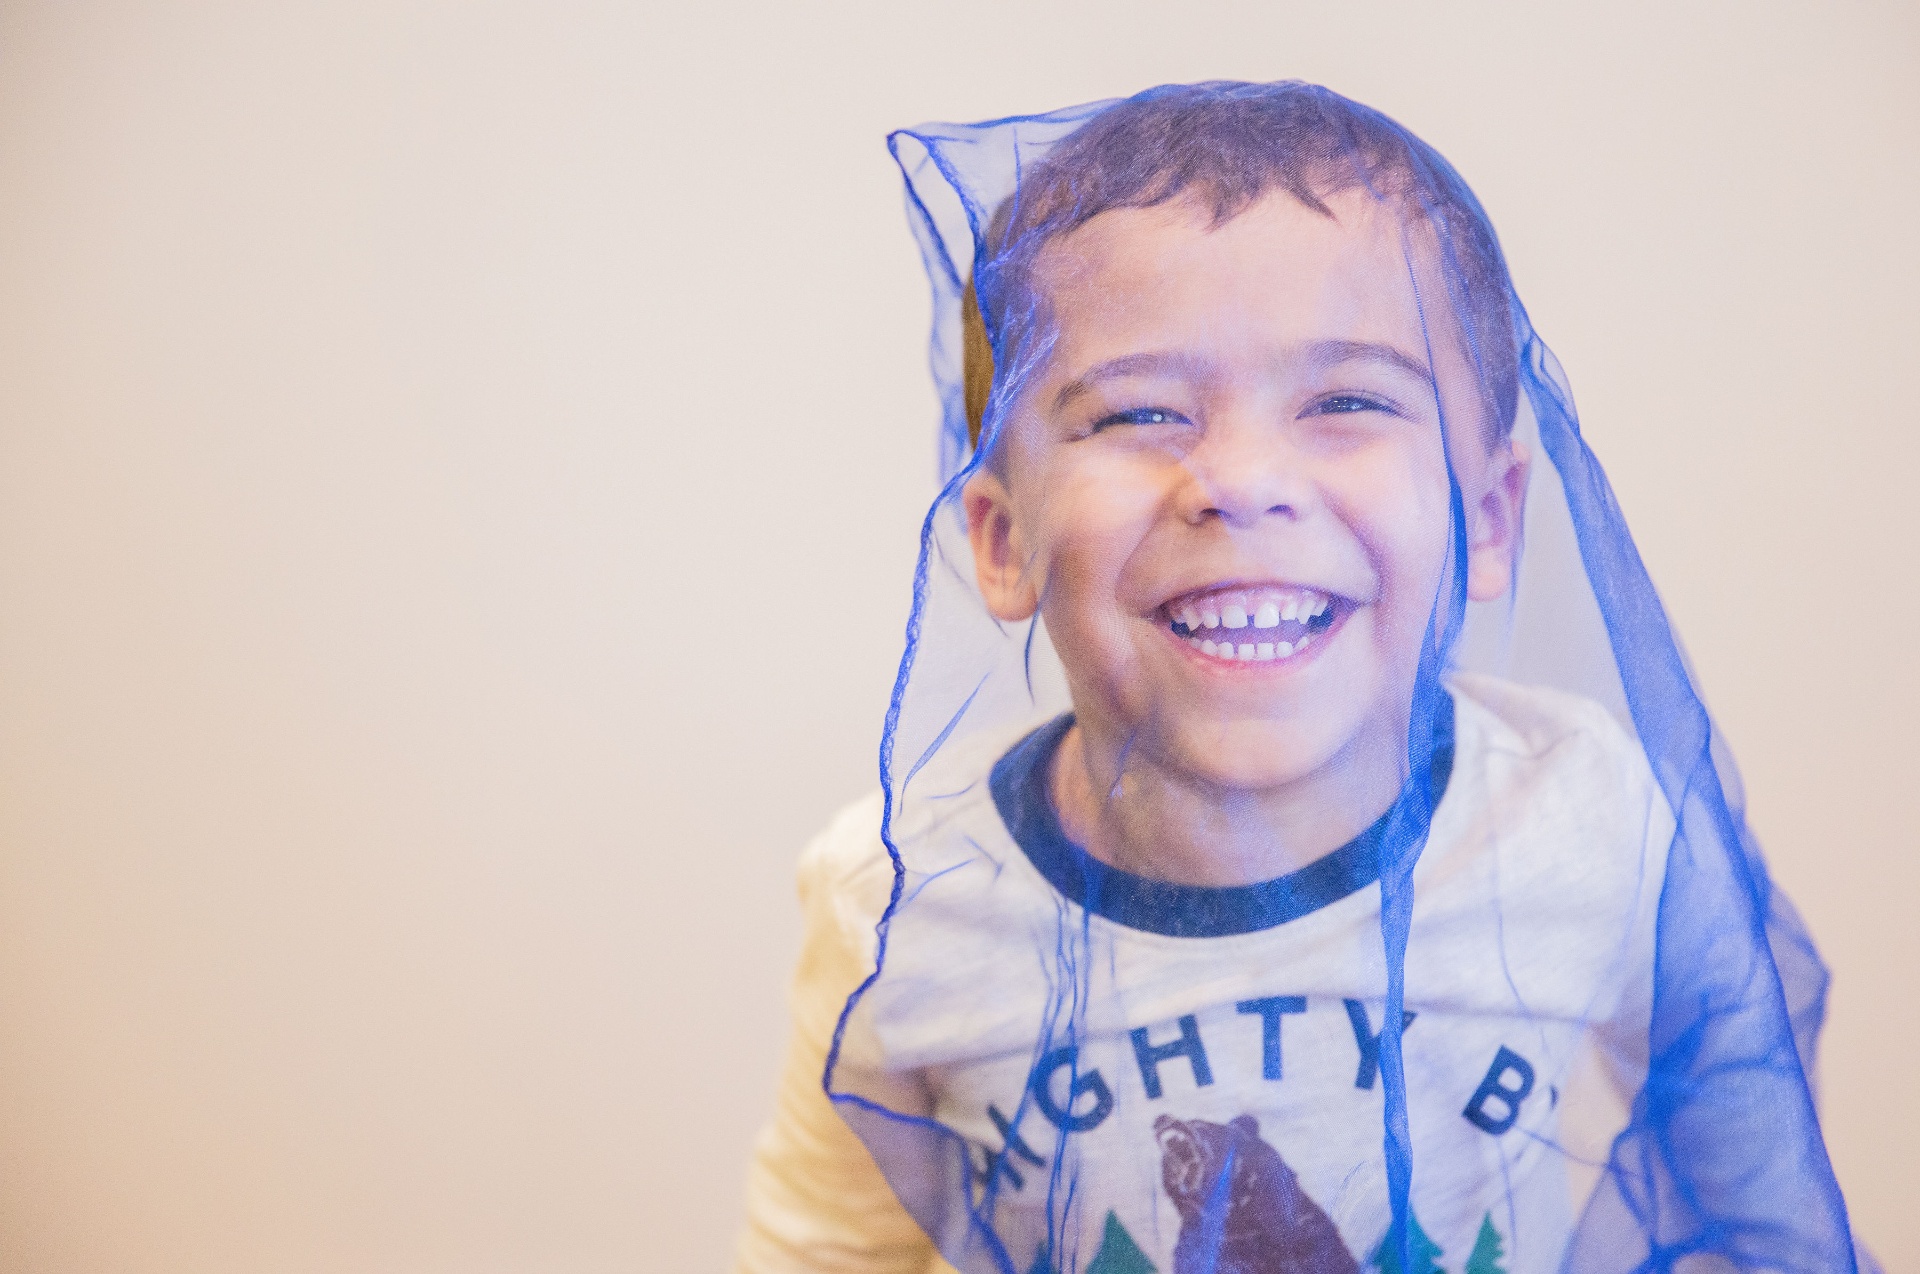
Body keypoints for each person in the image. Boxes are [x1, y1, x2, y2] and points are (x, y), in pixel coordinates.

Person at [734, 83, 1857, 1274]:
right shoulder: (893, 904)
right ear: (1004, 542)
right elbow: (823, 1249)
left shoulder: (1591, 817)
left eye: (1347, 401)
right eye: (1139, 411)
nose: (1241, 480)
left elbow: (1753, 1192)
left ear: (1487, 519)